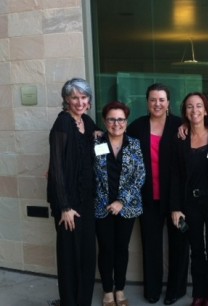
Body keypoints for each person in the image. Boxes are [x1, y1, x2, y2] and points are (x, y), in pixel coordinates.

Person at [126, 83, 189, 305]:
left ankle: (176, 290)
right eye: (153, 99)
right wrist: (97, 134)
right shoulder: (137, 127)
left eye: (161, 99)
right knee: (151, 246)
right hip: (147, 198)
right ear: (147, 102)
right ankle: (152, 290)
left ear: (169, 102)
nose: (157, 104)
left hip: (176, 198)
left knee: (179, 245)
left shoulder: (180, 126)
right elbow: (116, 137)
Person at [170, 92, 208, 306]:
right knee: (196, 250)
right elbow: (175, 175)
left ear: (205, 109)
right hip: (190, 203)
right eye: (190, 106)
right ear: (185, 111)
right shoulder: (181, 138)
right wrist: (175, 207)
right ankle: (198, 294)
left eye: (199, 106)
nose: (195, 110)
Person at [47, 78, 98, 306]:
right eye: (74, 97)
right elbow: (56, 168)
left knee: (87, 255)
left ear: (89, 100)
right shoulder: (62, 124)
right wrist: (64, 207)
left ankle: (83, 301)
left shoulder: (88, 121)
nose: (79, 102)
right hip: (68, 203)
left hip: (87, 201)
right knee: (69, 256)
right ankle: (69, 301)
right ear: (66, 100)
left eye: (83, 97)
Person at [94, 101, 145, 306]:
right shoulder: (96, 144)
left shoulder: (134, 144)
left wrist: (121, 201)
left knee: (122, 249)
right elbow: (90, 175)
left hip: (127, 207)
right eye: (112, 119)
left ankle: (120, 290)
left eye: (121, 119)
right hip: (101, 206)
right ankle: (107, 290)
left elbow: (139, 175)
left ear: (126, 121)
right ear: (105, 122)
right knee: (106, 249)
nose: (117, 123)